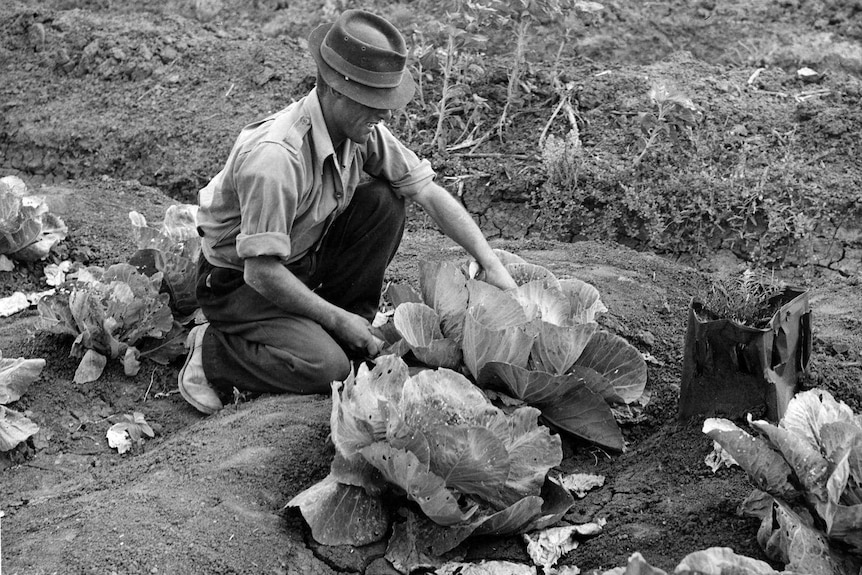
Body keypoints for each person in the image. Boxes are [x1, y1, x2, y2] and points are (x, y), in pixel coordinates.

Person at [178, 9, 518, 414]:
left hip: (301, 259)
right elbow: (260, 271)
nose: (385, 113)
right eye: (374, 102)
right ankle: (212, 350)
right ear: (334, 90)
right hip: (240, 284)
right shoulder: (276, 158)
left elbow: (427, 192)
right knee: (326, 368)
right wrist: (337, 319)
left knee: (384, 201)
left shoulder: (358, 129)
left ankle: (345, 328)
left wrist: (491, 264)